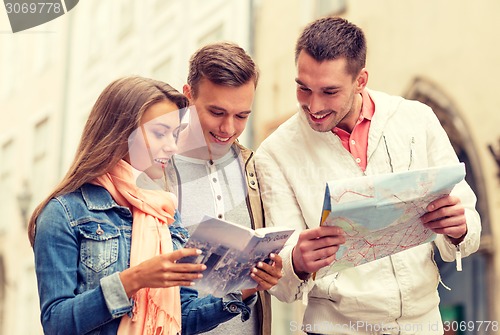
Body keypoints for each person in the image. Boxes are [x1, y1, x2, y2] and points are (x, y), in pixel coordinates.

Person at [255, 17, 481, 335]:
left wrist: (459, 228)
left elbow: (467, 216)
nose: (313, 105)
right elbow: (280, 280)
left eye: (329, 91)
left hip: (425, 324)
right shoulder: (274, 153)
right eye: (303, 88)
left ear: (361, 80)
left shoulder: (417, 119)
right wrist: (297, 260)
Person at [28, 76, 226, 335]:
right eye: (159, 133)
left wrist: (243, 293)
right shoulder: (64, 213)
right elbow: (56, 323)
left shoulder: (164, 213)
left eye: (175, 134)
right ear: (122, 131)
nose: (172, 145)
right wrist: (134, 280)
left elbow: (182, 316)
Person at [173, 42, 281, 335]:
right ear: (188, 96)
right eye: (217, 112)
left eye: (242, 115)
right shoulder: (155, 171)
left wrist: (269, 273)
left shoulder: (253, 168)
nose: (228, 128)